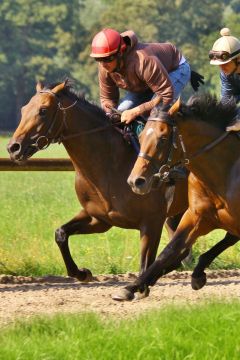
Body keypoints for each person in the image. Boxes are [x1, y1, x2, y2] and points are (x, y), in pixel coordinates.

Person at [90, 28, 203, 136]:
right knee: (120, 113)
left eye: (107, 59)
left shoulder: (143, 60)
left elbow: (165, 96)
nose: (103, 64)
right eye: (98, 59)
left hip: (175, 69)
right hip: (147, 81)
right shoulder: (104, 68)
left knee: (156, 114)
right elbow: (108, 99)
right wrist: (111, 115)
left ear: (120, 53)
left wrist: (135, 111)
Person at [209, 28, 240, 131]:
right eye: (219, 65)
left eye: (225, 64)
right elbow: (227, 101)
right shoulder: (226, 74)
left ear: (238, 59)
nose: (222, 68)